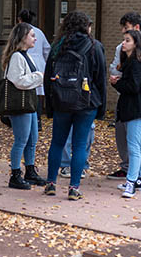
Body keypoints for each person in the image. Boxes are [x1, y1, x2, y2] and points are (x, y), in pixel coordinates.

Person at [43, 11, 106, 200]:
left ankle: (51, 184)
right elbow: (100, 78)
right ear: (86, 26)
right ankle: (74, 188)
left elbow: (48, 77)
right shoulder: (94, 47)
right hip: (86, 103)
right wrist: (100, 107)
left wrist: (50, 104)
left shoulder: (57, 46)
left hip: (61, 101)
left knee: (57, 143)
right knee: (79, 145)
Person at [106, 12, 141, 185]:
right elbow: (117, 67)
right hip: (128, 100)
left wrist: (118, 83)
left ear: (136, 29)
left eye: (126, 30)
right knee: (126, 135)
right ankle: (130, 170)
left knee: (140, 138)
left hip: (139, 102)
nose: (123, 36)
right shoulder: (124, 50)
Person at [1, 22, 46, 190]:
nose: (35, 38)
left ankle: (30, 170)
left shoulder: (26, 55)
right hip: (20, 104)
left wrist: (36, 77)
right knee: (21, 140)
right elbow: (18, 81)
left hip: (29, 102)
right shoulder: (17, 57)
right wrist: (39, 77)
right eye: (32, 35)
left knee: (32, 139)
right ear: (22, 37)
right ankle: (15, 174)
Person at [110, 30, 141, 198]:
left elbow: (133, 87)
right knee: (138, 144)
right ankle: (136, 180)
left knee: (133, 145)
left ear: (135, 44)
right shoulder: (132, 61)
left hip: (135, 109)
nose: (124, 43)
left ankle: (131, 182)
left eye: (127, 40)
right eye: (124, 40)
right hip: (137, 108)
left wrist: (117, 83)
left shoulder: (135, 63)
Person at [17, 9, 50, 130]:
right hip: (40, 64)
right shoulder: (39, 32)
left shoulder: (20, 32)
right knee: (38, 94)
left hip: (27, 63)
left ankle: (30, 120)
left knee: (29, 93)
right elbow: (47, 49)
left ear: (19, 19)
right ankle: (38, 120)